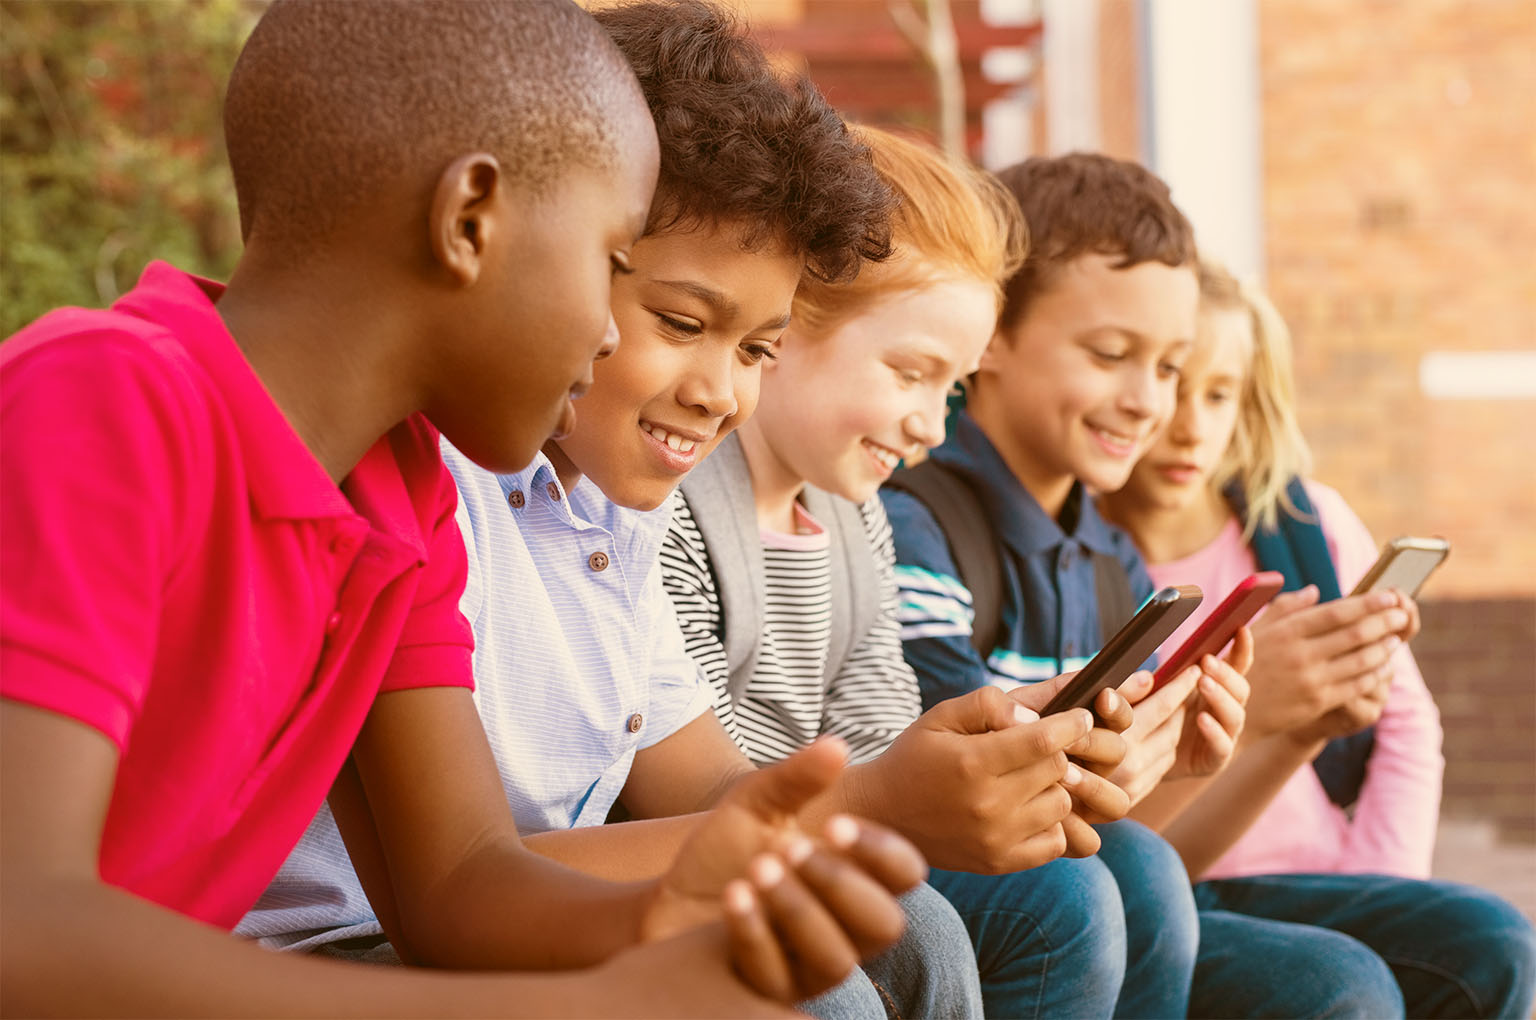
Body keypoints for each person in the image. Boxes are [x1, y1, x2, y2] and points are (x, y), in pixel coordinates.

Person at [0, 3, 916, 1015]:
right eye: (612, 263)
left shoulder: (400, 499)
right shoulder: (103, 398)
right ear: (470, 220)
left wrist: (661, 919)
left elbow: (457, 887)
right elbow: (26, 931)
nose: (608, 337)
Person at [657, 126, 1200, 1020]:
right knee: (991, 917)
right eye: (910, 375)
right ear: (787, 327)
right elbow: (689, 775)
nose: (931, 428)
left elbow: (877, 728)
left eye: (948, 391)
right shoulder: (682, 503)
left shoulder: (854, 516)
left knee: (1110, 872)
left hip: (831, 827)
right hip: (720, 843)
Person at [1097, 257, 1536, 1019]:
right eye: (1175, 386)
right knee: (1340, 984)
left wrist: (1386, 884)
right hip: (1181, 882)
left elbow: (1403, 723)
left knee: (1498, 942)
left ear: (1249, 402)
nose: (1192, 426)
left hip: (1334, 875)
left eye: (1220, 394)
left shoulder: (1305, 526)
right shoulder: (1087, 562)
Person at [878, 150, 1253, 1018]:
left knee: (1341, 979)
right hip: (945, 868)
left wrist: (1177, 763)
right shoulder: (912, 514)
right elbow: (979, 778)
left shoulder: (1112, 558)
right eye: (1112, 354)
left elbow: (1111, 836)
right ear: (992, 335)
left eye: (1168, 367)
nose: (1146, 401)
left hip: (1072, 880)